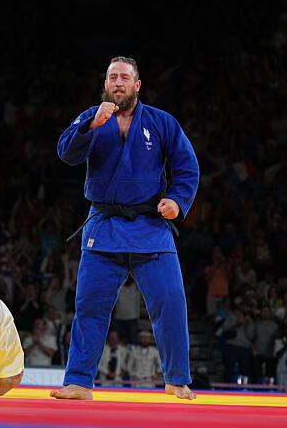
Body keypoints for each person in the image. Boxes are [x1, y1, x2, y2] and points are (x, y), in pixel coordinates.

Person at [52, 56, 199, 400]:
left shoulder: (162, 123)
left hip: (150, 224)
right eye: (112, 77)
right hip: (103, 226)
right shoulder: (92, 118)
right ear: (105, 85)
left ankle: (177, 379)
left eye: (124, 78)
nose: (118, 82)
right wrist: (89, 127)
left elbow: (187, 166)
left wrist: (177, 201)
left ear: (137, 85)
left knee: (172, 301)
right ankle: (78, 382)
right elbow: (66, 154)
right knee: (89, 305)